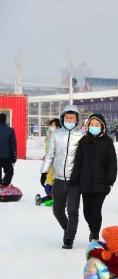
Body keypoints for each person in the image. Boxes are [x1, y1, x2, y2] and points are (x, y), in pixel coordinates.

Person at [40, 105, 85, 249]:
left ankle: (69, 238)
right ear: (63, 118)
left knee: (72, 210)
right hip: (59, 179)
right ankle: (68, 229)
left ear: (77, 119)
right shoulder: (56, 134)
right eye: (66, 117)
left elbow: (86, 159)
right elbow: (50, 154)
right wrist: (44, 171)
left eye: (72, 118)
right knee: (57, 210)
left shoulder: (82, 136)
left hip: (75, 181)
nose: (69, 120)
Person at [70, 114, 117, 241]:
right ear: (87, 126)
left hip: (101, 184)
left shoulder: (107, 142)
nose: (94, 127)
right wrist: (74, 178)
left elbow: (112, 163)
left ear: (102, 127)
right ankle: (92, 228)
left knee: (96, 210)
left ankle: (94, 234)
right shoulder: (83, 141)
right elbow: (78, 162)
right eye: (92, 125)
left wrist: (109, 181)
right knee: (86, 211)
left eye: (97, 125)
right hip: (85, 183)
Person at [36, 118, 61, 206]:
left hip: (58, 165)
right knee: (46, 182)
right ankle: (49, 196)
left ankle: (53, 197)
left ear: (58, 127)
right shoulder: (49, 136)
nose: (51, 127)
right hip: (49, 164)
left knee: (56, 182)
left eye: (53, 125)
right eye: (50, 125)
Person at [0, 113, 17, 187]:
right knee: (10, 171)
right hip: (7, 156)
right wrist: (14, 156)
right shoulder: (10, 130)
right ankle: (4, 185)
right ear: (5, 120)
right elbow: (13, 144)